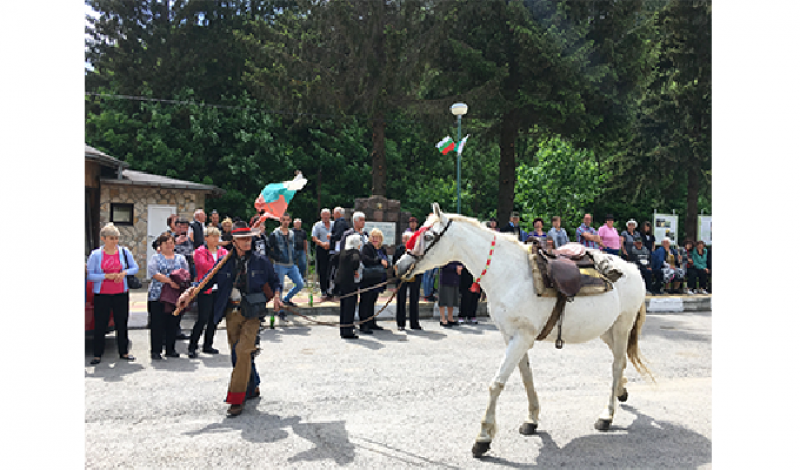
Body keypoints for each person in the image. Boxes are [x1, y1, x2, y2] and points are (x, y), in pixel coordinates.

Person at [177, 221, 282, 417]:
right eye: (243, 239)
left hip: (253, 313)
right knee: (238, 354)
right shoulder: (224, 262)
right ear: (234, 241)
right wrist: (188, 293)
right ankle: (254, 383)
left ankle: (236, 398)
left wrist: (277, 296)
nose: (247, 242)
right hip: (231, 312)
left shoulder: (261, 261)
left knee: (243, 351)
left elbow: (275, 281)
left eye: (249, 238)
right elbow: (205, 279)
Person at [86, 223, 138, 365]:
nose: (114, 241)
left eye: (116, 238)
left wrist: (124, 273)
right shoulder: (96, 255)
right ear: (103, 239)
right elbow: (90, 275)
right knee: (100, 324)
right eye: (111, 238)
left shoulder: (123, 252)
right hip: (102, 293)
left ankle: (124, 352)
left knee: (122, 322)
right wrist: (105, 277)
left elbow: (135, 268)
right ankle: (97, 354)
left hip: (121, 292)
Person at [147, 231, 190, 360]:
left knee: (172, 322)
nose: (169, 245)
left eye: (171, 243)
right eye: (166, 243)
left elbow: (186, 273)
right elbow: (154, 273)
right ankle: (156, 350)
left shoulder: (180, 258)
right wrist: (171, 282)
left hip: (176, 296)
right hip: (157, 294)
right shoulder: (155, 258)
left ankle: (170, 349)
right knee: (157, 323)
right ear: (160, 245)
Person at [188, 226, 228, 358]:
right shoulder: (200, 251)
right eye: (213, 236)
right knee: (202, 319)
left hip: (219, 290)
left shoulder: (223, 251)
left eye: (218, 236)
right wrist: (219, 266)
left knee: (214, 319)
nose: (217, 239)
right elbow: (203, 266)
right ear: (206, 238)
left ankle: (208, 345)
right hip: (205, 290)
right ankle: (192, 346)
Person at [268, 213, 305, 308]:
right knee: (279, 288)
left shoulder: (292, 233)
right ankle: (280, 309)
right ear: (280, 220)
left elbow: (294, 246)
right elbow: (269, 248)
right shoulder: (274, 234)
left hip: (291, 264)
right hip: (279, 264)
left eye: (287, 220)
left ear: (290, 221)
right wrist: (276, 257)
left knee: (300, 283)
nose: (285, 222)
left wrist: (295, 255)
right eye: (283, 220)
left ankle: (287, 299)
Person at [359, 228, 390, 334]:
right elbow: (365, 260)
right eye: (373, 237)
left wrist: (386, 263)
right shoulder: (367, 247)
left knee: (373, 301)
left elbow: (387, 261)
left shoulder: (383, 249)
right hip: (368, 279)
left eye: (377, 237)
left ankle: (371, 322)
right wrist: (379, 261)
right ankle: (364, 324)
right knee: (365, 302)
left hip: (378, 279)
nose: (375, 239)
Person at [336, 234, 363, 339]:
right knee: (350, 307)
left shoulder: (343, 252)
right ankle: (348, 331)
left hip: (342, 282)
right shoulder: (355, 252)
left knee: (343, 306)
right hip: (350, 283)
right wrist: (355, 270)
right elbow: (355, 261)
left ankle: (343, 329)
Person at [394, 232, 422, 330]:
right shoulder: (399, 249)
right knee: (401, 299)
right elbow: (395, 263)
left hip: (415, 276)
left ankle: (414, 323)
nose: (407, 241)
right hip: (402, 277)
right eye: (406, 239)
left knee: (414, 299)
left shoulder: (418, 251)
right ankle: (400, 323)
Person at [311, 208, 333, 300]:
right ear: (321, 216)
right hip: (321, 249)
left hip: (332, 249)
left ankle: (331, 290)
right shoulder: (317, 225)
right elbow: (314, 237)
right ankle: (324, 290)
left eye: (327, 215)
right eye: (324, 215)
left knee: (331, 270)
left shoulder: (334, 224)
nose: (325, 217)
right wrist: (322, 243)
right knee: (322, 270)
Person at [438, 261, 461, 327]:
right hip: (446, 279)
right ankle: (442, 319)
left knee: (451, 299)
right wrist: (455, 268)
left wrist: (460, 267)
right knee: (443, 299)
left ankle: (450, 318)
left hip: (455, 278)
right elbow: (442, 264)